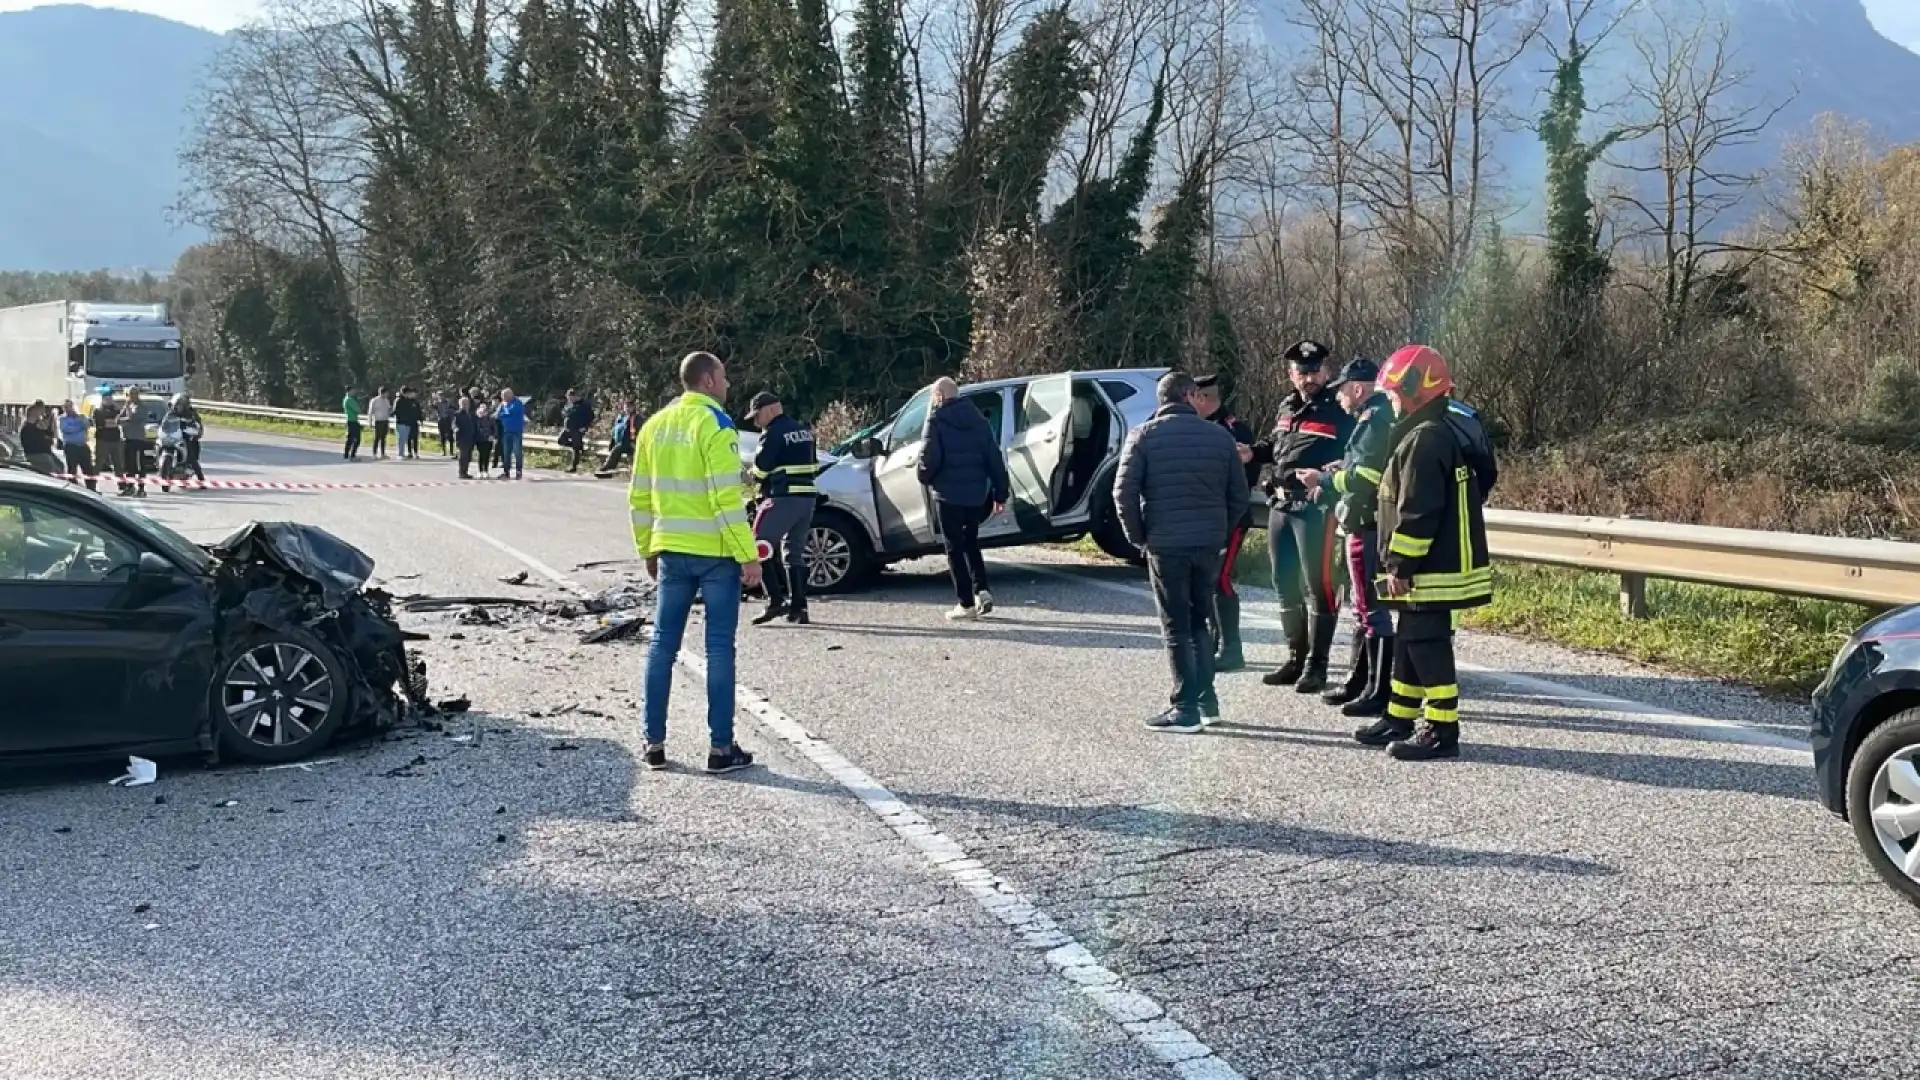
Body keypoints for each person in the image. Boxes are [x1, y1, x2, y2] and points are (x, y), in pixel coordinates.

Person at [631, 351, 760, 774]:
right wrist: (748, 555)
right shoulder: (716, 426)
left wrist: (647, 547)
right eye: (723, 377)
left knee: (662, 644)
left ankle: (654, 742)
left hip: (671, 550)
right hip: (716, 555)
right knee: (719, 647)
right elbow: (726, 500)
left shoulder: (654, 426)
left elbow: (639, 498)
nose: (728, 384)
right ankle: (721, 748)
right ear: (707, 381)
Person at [1365, 344, 1495, 761]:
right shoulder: (1430, 431)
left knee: (1427, 643)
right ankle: (1399, 716)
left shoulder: (1425, 439)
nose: (1390, 399)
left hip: (1430, 567)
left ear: (1416, 389)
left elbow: (1418, 511)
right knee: (1409, 638)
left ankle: (1441, 730)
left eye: (1393, 392)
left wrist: (1400, 564)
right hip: (1431, 564)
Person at [1114, 372, 1251, 733]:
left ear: (1162, 401)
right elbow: (1239, 494)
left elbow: (1123, 494)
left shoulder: (1142, 436)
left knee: (1176, 626)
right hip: (1207, 543)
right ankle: (1207, 701)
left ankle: (1184, 707)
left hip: (1165, 542)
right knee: (1200, 622)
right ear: (1190, 396)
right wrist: (1219, 531)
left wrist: (1139, 537)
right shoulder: (1221, 437)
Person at [1248, 340, 1355, 693]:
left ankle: (1317, 666)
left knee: (1319, 585)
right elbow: (1278, 447)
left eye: (1314, 371)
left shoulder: (1339, 408)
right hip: (1279, 505)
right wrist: (1252, 451)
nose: (1308, 378)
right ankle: (1295, 659)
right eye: (1301, 372)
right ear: (1290, 374)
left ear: (1326, 371)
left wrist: (1332, 477)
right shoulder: (1287, 406)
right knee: (1283, 582)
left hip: (1314, 508)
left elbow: (1356, 452)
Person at [1295, 358, 1393, 716]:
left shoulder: (1374, 419)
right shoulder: (1376, 417)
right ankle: (1360, 682)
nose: (1338, 398)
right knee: (1363, 609)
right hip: (1363, 523)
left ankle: (1376, 691)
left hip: (1366, 525)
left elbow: (1366, 478)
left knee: (1371, 611)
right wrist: (1340, 469)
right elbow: (1361, 467)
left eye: (1340, 390)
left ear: (1357, 388)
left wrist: (1322, 480)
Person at [918, 376, 1009, 620]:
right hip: (976, 496)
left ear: (939, 396)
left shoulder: (936, 420)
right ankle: (982, 589)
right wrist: (1001, 493)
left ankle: (965, 603)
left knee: (954, 548)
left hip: (948, 497)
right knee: (971, 542)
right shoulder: (979, 420)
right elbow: (994, 458)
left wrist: (923, 476)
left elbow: (929, 459)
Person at [1190, 374, 1258, 672]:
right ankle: (1217, 643)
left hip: (1230, 517)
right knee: (1208, 581)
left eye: (1192, 398)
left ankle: (1232, 649)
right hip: (1207, 518)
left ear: (1204, 399)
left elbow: (1248, 477)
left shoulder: (1232, 430)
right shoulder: (1197, 428)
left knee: (1221, 580)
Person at [747, 391, 819, 625]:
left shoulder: (773, 433)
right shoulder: (805, 431)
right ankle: (800, 607)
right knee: (794, 552)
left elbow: (761, 469)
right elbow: (814, 465)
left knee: (761, 546)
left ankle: (775, 602)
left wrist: (751, 475)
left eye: (757, 416)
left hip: (783, 497)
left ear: (769, 410)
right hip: (807, 499)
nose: (756, 423)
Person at [166, 392, 207, 483]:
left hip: (187, 437)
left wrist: (196, 429)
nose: (179, 407)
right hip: (175, 436)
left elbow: (197, 423)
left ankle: (201, 479)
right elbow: (165, 421)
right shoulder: (171, 413)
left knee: (191, 457)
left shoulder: (191, 413)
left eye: (180, 405)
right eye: (177, 404)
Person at [91, 385, 125, 491]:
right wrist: (113, 422)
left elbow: (120, 422)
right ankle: (92, 485)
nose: (109, 400)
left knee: (118, 464)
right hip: (103, 440)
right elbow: (102, 424)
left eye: (110, 398)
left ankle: (122, 486)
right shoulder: (98, 411)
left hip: (115, 440)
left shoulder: (116, 410)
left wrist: (113, 422)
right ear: (102, 399)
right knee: (98, 464)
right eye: (107, 398)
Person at [118, 387, 152, 496]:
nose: (131, 396)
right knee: (129, 465)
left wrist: (126, 415)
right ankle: (130, 487)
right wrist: (124, 415)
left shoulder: (141, 407)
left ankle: (141, 488)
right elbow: (118, 419)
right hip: (127, 438)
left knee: (139, 465)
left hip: (137, 439)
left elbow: (132, 418)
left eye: (133, 394)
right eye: (129, 394)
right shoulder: (128, 405)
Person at [56, 400, 94, 489]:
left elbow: (87, 425)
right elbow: (66, 429)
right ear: (63, 408)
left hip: (83, 446)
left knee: (88, 469)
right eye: (66, 407)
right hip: (71, 447)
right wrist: (79, 427)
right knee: (72, 470)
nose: (68, 409)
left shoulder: (81, 416)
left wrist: (80, 423)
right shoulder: (62, 418)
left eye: (70, 406)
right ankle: (74, 489)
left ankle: (92, 489)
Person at [596, 399, 640, 476]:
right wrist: (612, 442)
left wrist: (635, 442)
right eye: (626, 407)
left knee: (616, 450)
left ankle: (607, 467)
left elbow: (639, 430)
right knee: (615, 449)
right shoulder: (622, 417)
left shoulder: (636, 418)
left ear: (633, 407)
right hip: (621, 442)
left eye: (629, 407)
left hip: (631, 443)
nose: (627, 409)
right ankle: (609, 469)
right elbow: (615, 430)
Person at [18, 403, 59, 475]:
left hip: (46, 454)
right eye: (39, 413)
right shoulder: (27, 429)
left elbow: (52, 435)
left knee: (60, 466)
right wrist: (47, 439)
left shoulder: (37, 426)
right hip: (39, 456)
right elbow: (36, 443)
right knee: (52, 474)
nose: (40, 416)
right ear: (34, 414)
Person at [560, 388, 594, 473]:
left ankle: (573, 467)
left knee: (575, 448)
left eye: (570, 398)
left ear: (575, 396)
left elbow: (590, 417)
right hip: (568, 429)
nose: (569, 400)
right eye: (568, 398)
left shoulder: (584, 405)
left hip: (578, 429)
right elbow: (566, 414)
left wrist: (585, 427)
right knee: (561, 440)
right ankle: (580, 446)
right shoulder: (570, 405)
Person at [496, 388, 526, 479]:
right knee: (506, 452)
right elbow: (497, 415)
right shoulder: (502, 404)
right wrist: (503, 410)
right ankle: (506, 472)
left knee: (517, 452)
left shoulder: (517, 403)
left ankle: (518, 471)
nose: (502, 398)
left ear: (510, 395)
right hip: (506, 431)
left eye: (504, 396)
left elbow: (511, 412)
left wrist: (504, 410)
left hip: (516, 431)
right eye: (502, 396)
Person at [394, 387, 423, 459]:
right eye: (410, 393)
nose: (411, 394)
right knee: (404, 438)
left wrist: (420, 419)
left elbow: (418, 411)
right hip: (404, 422)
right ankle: (404, 453)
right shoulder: (400, 400)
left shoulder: (414, 402)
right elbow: (396, 411)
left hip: (411, 422)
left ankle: (412, 453)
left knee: (411, 438)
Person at [454, 395, 479, 478]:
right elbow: (454, 425)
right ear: (460, 404)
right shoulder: (458, 414)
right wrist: (456, 429)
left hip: (471, 437)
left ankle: (465, 472)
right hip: (462, 438)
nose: (465, 405)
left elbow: (475, 425)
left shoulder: (472, 414)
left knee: (469, 456)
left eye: (467, 403)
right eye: (463, 403)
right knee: (463, 456)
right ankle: (461, 472)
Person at [368, 387, 393, 459]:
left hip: (385, 420)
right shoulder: (374, 400)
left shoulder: (386, 400)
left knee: (383, 438)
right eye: (386, 393)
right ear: (382, 393)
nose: (387, 394)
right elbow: (370, 412)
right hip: (377, 421)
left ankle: (383, 453)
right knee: (377, 438)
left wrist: (391, 410)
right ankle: (374, 453)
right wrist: (370, 422)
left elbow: (388, 410)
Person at [474, 400, 497, 476]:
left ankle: (486, 471)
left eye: (485, 410)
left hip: (489, 440)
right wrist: (485, 436)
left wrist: (493, 436)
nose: (484, 412)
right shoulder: (477, 419)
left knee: (487, 455)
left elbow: (494, 429)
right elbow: (478, 429)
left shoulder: (491, 419)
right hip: (480, 440)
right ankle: (480, 471)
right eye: (482, 410)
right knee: (481, 455)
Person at [342, 389, 362, 460]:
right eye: (352, 391)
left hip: (351, 421)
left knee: (351, 439)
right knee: (355, 439)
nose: (354, 392)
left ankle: (347, 454)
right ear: (349, 391)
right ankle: (351, 455)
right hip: (352, 421)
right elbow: (357, 410)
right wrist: (359, 408)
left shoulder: (346, 399)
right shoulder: (349, 400)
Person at [435, 392, 457, 457]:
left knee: (450, 436)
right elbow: (434, 409)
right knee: (442, 436)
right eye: (439, 396)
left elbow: (454, 409)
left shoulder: (448, 403)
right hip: (441, 420)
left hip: (448, 420)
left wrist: (451, 413)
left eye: (442, 395)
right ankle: (443, 451)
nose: (441, 397)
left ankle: (451, 451)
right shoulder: (437, 403)